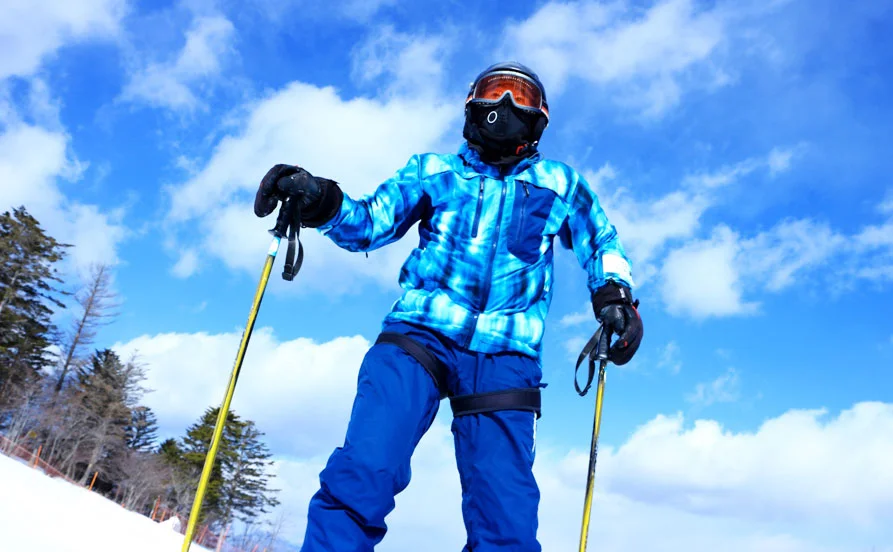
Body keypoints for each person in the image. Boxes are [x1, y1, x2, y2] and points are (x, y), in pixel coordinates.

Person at [253, 61, 643, 552]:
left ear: (539, 118)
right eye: (493, 92)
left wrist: (615, 296)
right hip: (419, 335)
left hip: (506, 354)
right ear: (471, 106)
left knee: (507, 520)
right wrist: (321, 201)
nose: (504, 106)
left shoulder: (559, 183)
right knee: (367, 469)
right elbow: (371, 222)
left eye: (519, 96)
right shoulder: (433, 172)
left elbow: (600, 239)